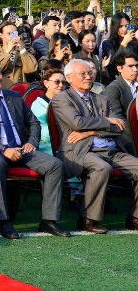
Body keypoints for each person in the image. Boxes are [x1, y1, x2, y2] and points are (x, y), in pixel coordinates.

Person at [0, 61, 69, 239]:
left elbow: (33, 122)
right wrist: (3, 150)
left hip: (21, 148)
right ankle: (4, 221)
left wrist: (32, 142)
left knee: (54, 165)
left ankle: (49, 221)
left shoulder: (14, 96)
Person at [51, 59, 138, 233]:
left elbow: (119, 126)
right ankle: (88, 219)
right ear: (69, 78)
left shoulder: (102, 99)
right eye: (83, 74)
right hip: (81, 150)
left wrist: (90, 132)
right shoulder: (61, 98)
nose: (88, 76)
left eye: (90, 73)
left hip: (111, 148)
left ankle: (135, 217)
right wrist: (106, 121)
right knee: (102, 168)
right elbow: (77, 122)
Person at [100, 52, 138, 154]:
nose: (135, 69)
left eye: (136, 66)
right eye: (130, 66)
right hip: (126, 137)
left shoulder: (136, 84)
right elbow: (119, 121)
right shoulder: (113, 89)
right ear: (119, 68)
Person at [0, 21, 38, 89]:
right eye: (9, 34)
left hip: (20, 89)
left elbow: (31, 69)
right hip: (3, 89)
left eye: (14, 33)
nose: (12, 36)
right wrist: (8, 51)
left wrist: (22, 49)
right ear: (1, 35)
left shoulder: (22, 51)